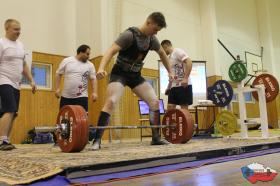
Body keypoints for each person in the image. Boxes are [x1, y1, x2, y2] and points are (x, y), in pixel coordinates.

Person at [91, 12, 174, 150]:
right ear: (148, 22)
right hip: (120, 73)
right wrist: (100, 68)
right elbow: (111, 50)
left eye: (158, 31)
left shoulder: (152, 39)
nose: (156, 33)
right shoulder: (129, 35)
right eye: (155, 29)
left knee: (154, 102)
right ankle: (97, 140)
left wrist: (170, 71)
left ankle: (156, 138)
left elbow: (163, 54)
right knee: (111, 101)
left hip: (135, 75)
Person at [0, 19, 36, 151]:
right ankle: (1, 140)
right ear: (7, 29)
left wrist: (31, 80)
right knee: (8, 110)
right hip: (3, 80)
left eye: (19, 29)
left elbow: (24, 64)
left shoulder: (20, 45)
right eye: (15, 29)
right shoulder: (1, 43)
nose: (18, 32)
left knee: (14, 113)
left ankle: (6, 140)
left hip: (16, 83)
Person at [55, 44, 98, 112]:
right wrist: (57, 88)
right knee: (64, 119)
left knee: (82, 120)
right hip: (66, 97)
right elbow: (58, 74)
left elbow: (93, 79)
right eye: (87, 54)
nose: (88, 56)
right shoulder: (67, 61)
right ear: (81, 52)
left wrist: (95, 92)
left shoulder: (90, 65)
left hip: (82, 97)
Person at [161, 39, 193, 111]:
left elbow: (189, 62)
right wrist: (168, 87)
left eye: (162, 50)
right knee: (170, 107)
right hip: (174, 86)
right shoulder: (169, 58)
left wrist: (185, 78)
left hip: (183, 85)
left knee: (184, 109)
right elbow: (172, 75)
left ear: (165, 46)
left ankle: (185, 122)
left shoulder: (177, 51)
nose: (162, 53)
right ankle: (171, 122)